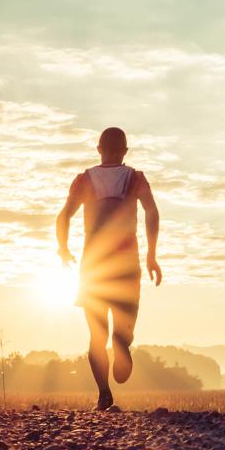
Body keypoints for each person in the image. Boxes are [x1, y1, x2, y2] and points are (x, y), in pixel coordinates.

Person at [56, 126, 162, 410]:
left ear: (99, 150)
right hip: (127, 264)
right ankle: (122, 342)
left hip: (94, 268)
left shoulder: (84, 180)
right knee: (124, 327)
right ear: (125, 152)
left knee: (96, 335)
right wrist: (152, 255)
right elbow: (151, 212)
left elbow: (64, 215)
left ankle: (103, 393)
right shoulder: (135, 178)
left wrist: (63, 248)